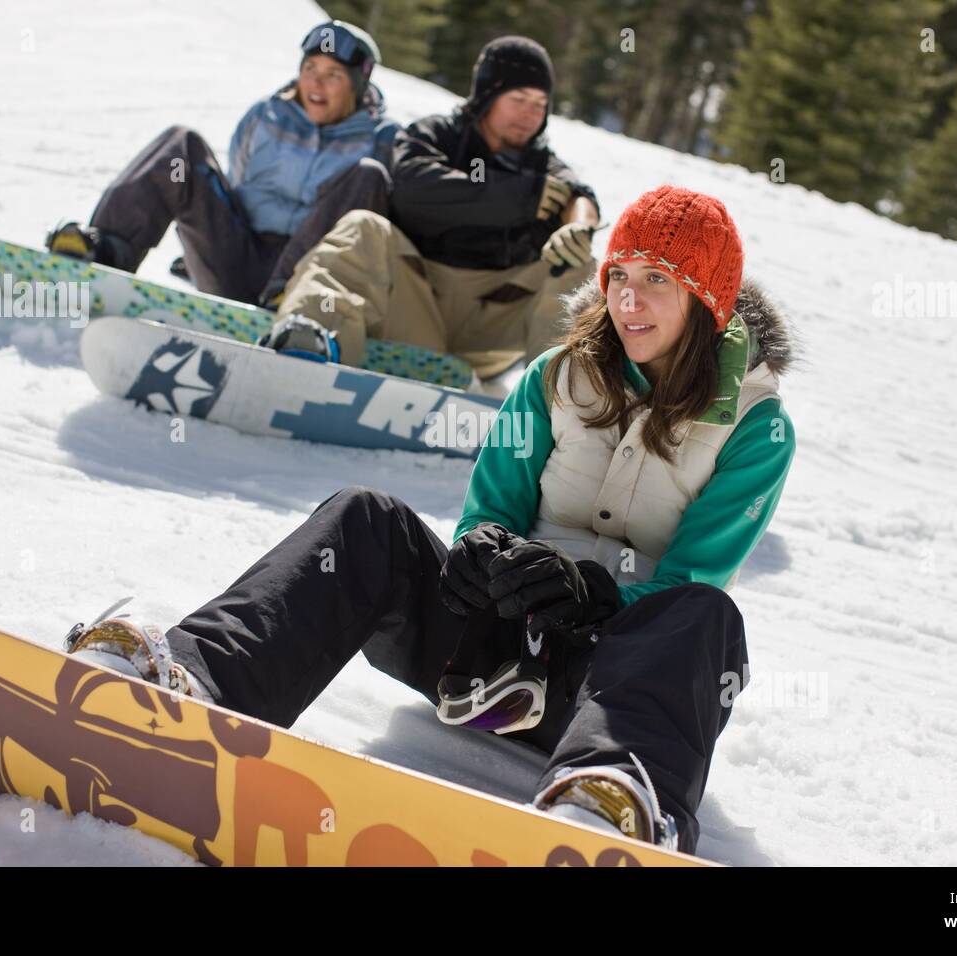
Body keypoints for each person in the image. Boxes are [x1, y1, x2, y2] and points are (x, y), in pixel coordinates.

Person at [65, 186, 797, 856]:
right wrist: (484, 553)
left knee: (705, 617)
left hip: (620, 690)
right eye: (620, 276)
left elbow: (691, 574)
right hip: (496, 656)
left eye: (657, 280)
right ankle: (196, 680)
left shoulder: (757, 429)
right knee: (366, 520)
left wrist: (594, 595)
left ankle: (611, 800)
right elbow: (494, 505)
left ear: (707, 298)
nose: (629, 299)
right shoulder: (555, 378)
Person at [269, 35, 600, 379]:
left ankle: (561, 395)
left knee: (577, 264)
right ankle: (311, 339)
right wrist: (517, 196)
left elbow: (579, 196)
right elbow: (413, 187)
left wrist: (579, 226)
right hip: (416, 305)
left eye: (539, 103)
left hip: (493, 329)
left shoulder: (543, 164)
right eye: (518, 99)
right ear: (488, 96)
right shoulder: (438, 134)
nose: (530, 114)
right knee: (363, 228)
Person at [45, 20, 397, 316]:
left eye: (333, 74)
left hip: (308, 278)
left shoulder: (382, 138)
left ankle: (289, 299)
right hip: (236, 258)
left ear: (358, 83)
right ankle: (106, 250)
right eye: (310, 69)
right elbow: (236, 180)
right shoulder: (265, 115)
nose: (316, 84)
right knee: (181, 150)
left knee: (367, 175)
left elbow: (375, 226)